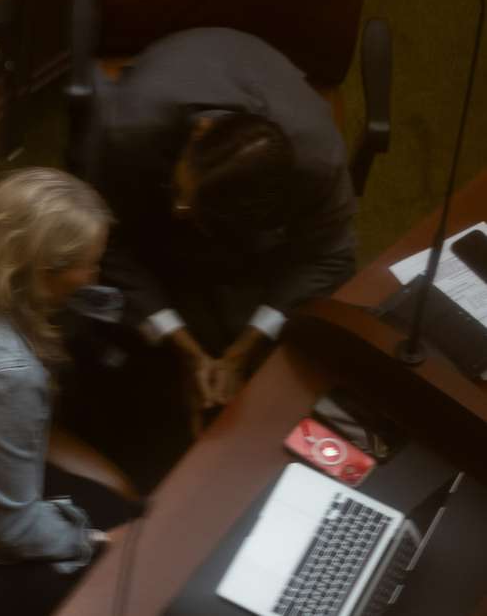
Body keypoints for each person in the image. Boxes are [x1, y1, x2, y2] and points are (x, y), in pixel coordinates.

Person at [78, 27, 356, 474]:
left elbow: (329, 257)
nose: (177, 206)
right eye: (182, 193)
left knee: (292, 352)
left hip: (249, 243)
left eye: (191, 208)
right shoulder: (126, 129)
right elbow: (105, 240)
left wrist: (242, 349)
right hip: (147, 164)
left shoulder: (319, 163)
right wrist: (183, 344)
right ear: (199, 134)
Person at [0, 168, 137, 616]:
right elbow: (14, 526)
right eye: (89, 263)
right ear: (44, 271)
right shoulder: (9, 375)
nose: (94, 274)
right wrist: (94, 542)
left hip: (1, 471)